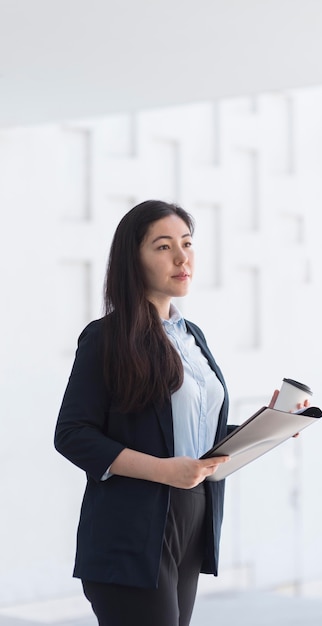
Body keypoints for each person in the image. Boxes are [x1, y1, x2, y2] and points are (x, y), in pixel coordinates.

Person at [54, 200, 231, 626]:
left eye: (187, 244)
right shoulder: (106, 338)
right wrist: (163, 471)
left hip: (192, 519)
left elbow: (197, 434)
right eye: (163, 246)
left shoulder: (193, 337)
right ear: (133, 260)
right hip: (131, 533)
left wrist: (275, 422)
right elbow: (73, 434)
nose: (181, 257)